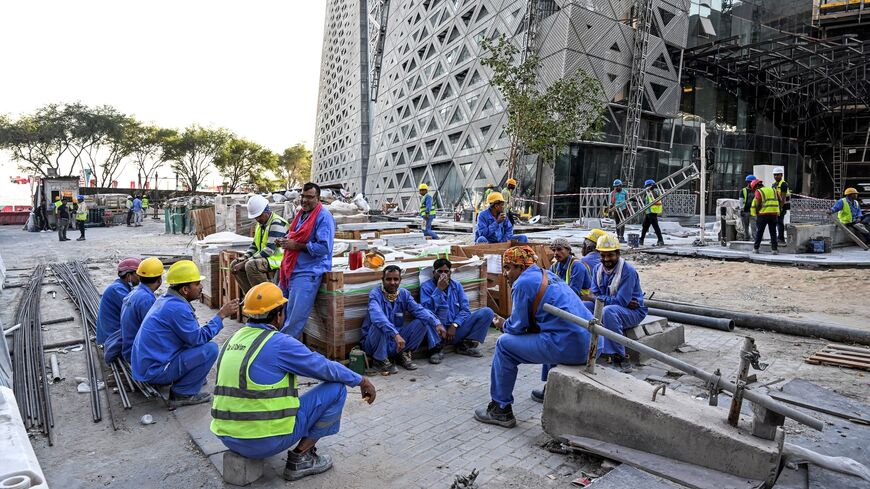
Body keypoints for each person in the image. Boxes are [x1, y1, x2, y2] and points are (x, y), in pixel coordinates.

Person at [211, 283, 376, 481]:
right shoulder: (278, 343)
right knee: (337, 388)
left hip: (228, 437)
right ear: (279, 314)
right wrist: (360, 379)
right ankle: (301, 458)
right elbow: (323, 367)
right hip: (262, 442)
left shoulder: (233, 339)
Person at [474, 246, 597, 427]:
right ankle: (550, 390)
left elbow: (516, 327)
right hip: (591, 344)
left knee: (504, 345)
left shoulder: (523, 283)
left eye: (508, 268)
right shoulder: (547, 274)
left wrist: (502, 324)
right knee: (549, 327)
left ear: (521, 268)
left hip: (571, 347)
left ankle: (500, 409)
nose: (506, 274)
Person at [132, 260, 239, 407]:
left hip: (148, 364)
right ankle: (182, 394)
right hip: (154, 371)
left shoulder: (168, 300)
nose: (201, 287)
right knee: (210, 349)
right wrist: (220, 315)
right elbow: (198, 338)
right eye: (197, 284)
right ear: (185, 290)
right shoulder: (177, 308)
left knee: (198, 348)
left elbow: (190, 336)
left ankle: (186, 380)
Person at [360, 265, 445, 374]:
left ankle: (402, 354)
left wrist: (436, 323)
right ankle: (379, 360)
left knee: (424, 320)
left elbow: (418, 309)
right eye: (388, 279)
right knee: (379, 324)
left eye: (396, 279)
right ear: (383, 280)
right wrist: (395, 334)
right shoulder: (375, 294)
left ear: (400, 280)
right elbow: (377, 317)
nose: (392, 282)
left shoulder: (404, 294)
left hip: (397, 342)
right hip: (375, 343)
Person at [276, 182, 335, 337]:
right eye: (303, 196)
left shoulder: (324, 217)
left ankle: (283, 352)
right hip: (290, 270)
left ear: (318, 198)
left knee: (294, 320)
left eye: (310, 197)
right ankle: (282, 346)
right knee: (278, 310)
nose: (305, 200)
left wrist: (296, 246)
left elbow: (324, 247)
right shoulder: (301, 214)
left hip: (307, 272)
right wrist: (284, 241)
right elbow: (294, 236)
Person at [583, 234, 647, 373]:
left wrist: (597, 298)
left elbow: (620, 301)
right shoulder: (597, 270)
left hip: (634, 312)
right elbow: (594, 295)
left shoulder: (627, 271)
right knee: (583, 307)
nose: (606, 259)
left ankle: (620, 356)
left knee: (609, 311)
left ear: (618, 253)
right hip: (614, 307)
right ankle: (587, 347)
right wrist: (597, 298)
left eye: (610, 255)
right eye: (603, 255)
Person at [420, 258, 494, 358]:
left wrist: (454, 325)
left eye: (446, 272)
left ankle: (464, 345)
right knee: (424, 320)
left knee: (487, 312)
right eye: (440, 271)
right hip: (437, 330)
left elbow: (465, 309)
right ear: (434, 273)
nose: (443, 275)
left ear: (450, 273)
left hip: (455, 331)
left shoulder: (456, 286)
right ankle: (436, 348)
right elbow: (426, 310)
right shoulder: (426, 287)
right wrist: (438, 290)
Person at [231, 195, 289, 295]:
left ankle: (268, 297)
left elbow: (269, 250)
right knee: (234, 264)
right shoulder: (261, 224)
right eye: (256, 217)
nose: (257, 219)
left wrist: (246, 261)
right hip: (267, 259)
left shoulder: (277, 223)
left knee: (251, 265)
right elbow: (254, 245)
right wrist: (244, 257)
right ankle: (251, 296)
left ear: (267, 211)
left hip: (278, 260)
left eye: (259, 216)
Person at [118, 257, 164, 363]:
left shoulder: (133, 293)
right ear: (159, 280)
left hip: (128, 348)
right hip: (137, 354)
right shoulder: (146, 299)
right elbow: (154, 333)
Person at [96, 258, 141, 345]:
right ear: (129, 276)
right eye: (138, 274)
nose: (140, 278)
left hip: (113, 333)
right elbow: (134, 313)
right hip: (111, 338)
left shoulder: (123, 287)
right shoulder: (117, 290)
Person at [751, 179, 782, 254]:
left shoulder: (759, 191)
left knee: (760, 232)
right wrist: (778, 209)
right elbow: (780, 200)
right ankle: (774, 250)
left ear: (756, 187)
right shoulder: (773, 190)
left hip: (763, 215)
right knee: (773, 232)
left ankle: (756, 248)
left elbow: (758, 204)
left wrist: (757, 211)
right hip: (773, 214)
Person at [639, 180, 665, 246]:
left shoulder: (655, 191)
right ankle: (641, 240)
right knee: (644, 227)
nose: (646, 188)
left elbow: (656, 197)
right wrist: (635, 200)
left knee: (655, 226)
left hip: (653, 212)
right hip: (648, 212)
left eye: (647, 186)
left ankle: (660, 240)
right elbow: (644, 201)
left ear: (651, 186)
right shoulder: (647, 193)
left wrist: (651, 190)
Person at [772, 167, 790, 244]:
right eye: (774, 175)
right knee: (776, 223)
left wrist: (780, 208)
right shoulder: (774, 184)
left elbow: (783, 198)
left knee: (779, 222)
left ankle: (781, 238)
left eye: (777, 175)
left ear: (781, 175)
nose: (776, 176)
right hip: (775, 207)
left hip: (782, 207)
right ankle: (777, 238)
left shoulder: (784, 184)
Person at [739, 175, 757, 241]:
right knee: (745, 227)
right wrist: (741, 210)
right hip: (745, 211)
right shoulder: (743, 190)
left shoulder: (757, 190)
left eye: (751, 182)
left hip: (753, 212)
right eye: (749, 182)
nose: (750, 183)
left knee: (753, 226)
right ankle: (746, 238)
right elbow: (741, 201)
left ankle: (755, 239)